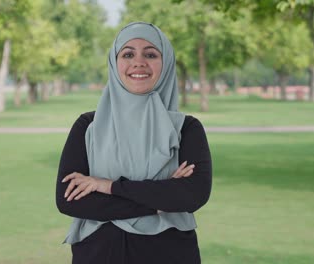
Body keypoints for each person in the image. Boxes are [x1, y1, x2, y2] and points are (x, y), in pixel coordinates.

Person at [56, 22, 212, 264]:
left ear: (166, 63)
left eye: (150, 54)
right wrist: (158, 203)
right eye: (128, 54)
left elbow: (192, 196)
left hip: (170, 254)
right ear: (114, 62)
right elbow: (69, 200)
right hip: (99, 254)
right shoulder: (88, 126)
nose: (139, 62)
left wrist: (106, 186)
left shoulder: (187, 128)